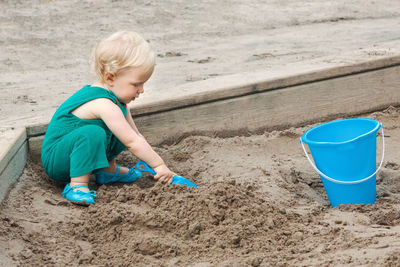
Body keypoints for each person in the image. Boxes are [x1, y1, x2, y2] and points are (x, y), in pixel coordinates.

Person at [41, 31, 176, 205]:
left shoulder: (119, 103)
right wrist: (159, 165)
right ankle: (77, 185)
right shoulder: (102, 103)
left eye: (144, 83)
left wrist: (152, 161)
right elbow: (132, 143)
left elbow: (135, 137)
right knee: (93, 132)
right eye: (136, 84)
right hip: (59, 160)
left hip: (78, 154)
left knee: (122, 132)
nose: (142, 90)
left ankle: (107, 171)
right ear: (110, 77)